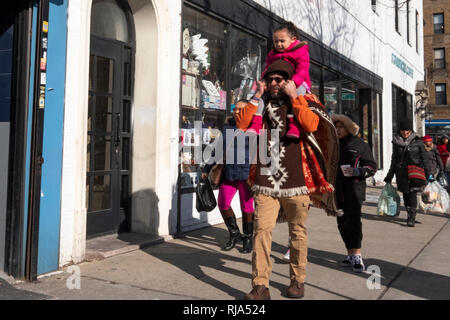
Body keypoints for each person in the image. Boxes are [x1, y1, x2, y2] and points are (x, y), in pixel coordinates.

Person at [235, 59, 338, 300]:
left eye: (278, 80)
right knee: (261, 231)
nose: (273, 83)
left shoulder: (303, 99)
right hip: (265, 179)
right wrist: (256, 95)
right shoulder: (260, 102)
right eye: (269, 79)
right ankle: (260, 286)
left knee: (298, 232)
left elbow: (311, 125)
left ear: (288, 81)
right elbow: (241, 124)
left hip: (296, 180)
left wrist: (295, 98)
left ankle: (297, 280)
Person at [202, 105, 254, 253]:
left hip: (246, 175)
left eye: (241, 109)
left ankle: (248, 238)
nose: (236, 111)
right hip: (229, 173)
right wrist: (206, 169)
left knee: (247, 208)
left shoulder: (254, 128)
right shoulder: (227, 128)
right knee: (223, 203)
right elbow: (218, 150)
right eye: (235, 109)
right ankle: (235, 234)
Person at [246, 21, 311, 139]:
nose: (278, 44)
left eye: (282, 41)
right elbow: (267, 69)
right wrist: (264, 81)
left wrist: (294, 83)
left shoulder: (301, 51)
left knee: (298, 96)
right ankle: (256, 123)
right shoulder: (272, 54)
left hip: (298, 81)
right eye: (276, 41)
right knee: (261, 95)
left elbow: (303, 70)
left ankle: (294, 123)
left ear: (293, 39)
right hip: (277, 82)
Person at [332, 114, 377, 273]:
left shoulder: (360, 145)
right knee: (341, 222)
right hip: (337, 191)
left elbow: (372, 167)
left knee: (354, 222)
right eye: (335, 127)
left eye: (340, 127)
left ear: (349, 127)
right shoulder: (334, 144)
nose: (337, 130)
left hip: (355, 190)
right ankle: (350, 254)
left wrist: (357, 171)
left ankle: (357, 255)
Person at [384, 119, 432, 227]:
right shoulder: (396, 142)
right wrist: (390, 175)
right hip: (401, 173)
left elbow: (425, 158)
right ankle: (409, 212)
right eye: (402, 130)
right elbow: (394, 159)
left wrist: (430, 174)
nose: (405, 133)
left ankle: (411, 217)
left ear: (410, 130)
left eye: (407, 130)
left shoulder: (418, 142)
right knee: (406, 195)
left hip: (415, 172)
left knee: (412, 194)